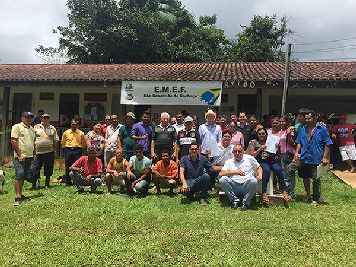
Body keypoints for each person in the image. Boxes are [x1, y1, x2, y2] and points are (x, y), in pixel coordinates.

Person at [292, 111, 333, 206]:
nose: (307, 120)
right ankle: (305, 194)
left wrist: (325, 157)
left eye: (309, 118)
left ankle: (315, 198)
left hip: (316, 156)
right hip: (304, 157)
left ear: (315, 118)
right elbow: (299, 141)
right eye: (306, 118)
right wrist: (297, 152)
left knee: (316, 178)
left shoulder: (322, 129)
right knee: (298, 173)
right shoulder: (303, 129)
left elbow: (327, 143)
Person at [246, 127, 289, 204]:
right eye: (260, 134)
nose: (261, 135)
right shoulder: (254, 142)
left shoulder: (271, 141)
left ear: (266, 134)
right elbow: (252, 154)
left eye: (263, 134)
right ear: (257, 135)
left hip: (271, 160)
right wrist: (260, 149)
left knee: (279, 170)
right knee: (266, 170)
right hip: (261, 161)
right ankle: (264, 192)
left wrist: (278, 148)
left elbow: (278, 155)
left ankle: (284, 190)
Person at [219, 144, 262, 210]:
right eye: (235, 151)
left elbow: (258, 167)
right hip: (234, 186)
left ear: (243, 151)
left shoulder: (249, 158)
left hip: (246, 185)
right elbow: (222, 173)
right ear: (232, 152)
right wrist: (235, 172)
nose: (237, 153)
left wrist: (260, 175)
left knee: (254, 180)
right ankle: (234, 201)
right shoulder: (229, 162)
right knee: (222, 180)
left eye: (239, 151)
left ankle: (246, 203)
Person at [11, 111, 36, 206]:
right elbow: (13, 140)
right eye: (27, 117)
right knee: (19, 174)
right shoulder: (17, 127)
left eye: (30, 117)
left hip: (29, 156)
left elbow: (32, 142)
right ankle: (17, 197)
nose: (29, 119)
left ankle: (20, 194)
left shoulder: (32, 129)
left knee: (24, 175)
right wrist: (19, 154)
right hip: (20, 156)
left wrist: (34, 154)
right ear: (22, 118)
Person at [33, 113, 59, 189]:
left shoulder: (52, 128)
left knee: (48, 168)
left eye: (47, 118)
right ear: (41, 119)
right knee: (36, 168)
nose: (46, 119)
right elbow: (33, 139)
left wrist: (55, 151)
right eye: (44, 118)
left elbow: (55, 141)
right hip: (38, 152)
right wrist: (33, 151)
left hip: (49, 152)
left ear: (49, 119)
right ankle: (34, 184)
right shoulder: (36, 127)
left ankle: (47, 184)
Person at [61, 119, 87, 186]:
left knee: (77, 166)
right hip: (68, 150)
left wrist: (80, 150)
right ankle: (68, 182)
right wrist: (66, 150)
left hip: (77, 151)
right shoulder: (66, 132)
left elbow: (84, 144)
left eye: (75, 124)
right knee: (68, 166)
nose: (74, 126)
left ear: (78, 125)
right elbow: (63, 142)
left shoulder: (81, 133)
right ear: (70, 125)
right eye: (73, 124)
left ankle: (77, 181)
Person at [279, 116, 296, 197]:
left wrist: (289, 134)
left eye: (283, 121)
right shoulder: (281, 132)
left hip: (289, 153)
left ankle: (290, 192)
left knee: (289, 173)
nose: (281, 123)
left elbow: (291, 143)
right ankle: (286, 190)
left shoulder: (289, 131)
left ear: (287, 122)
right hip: (282, 154)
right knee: (284, 173)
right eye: (280, 121)